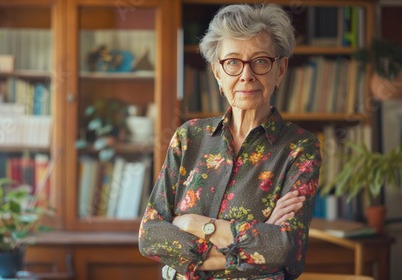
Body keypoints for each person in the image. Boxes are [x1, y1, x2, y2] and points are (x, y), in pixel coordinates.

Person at [138, 4, 322, 280]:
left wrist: (195, 224)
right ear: (217, 73)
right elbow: (150, 235)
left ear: (280, 69)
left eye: (260, 61)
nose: (246, 75)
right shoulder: (189, 138)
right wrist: (257, 238)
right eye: (233, 62)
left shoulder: (300, 148)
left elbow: (283, 248)